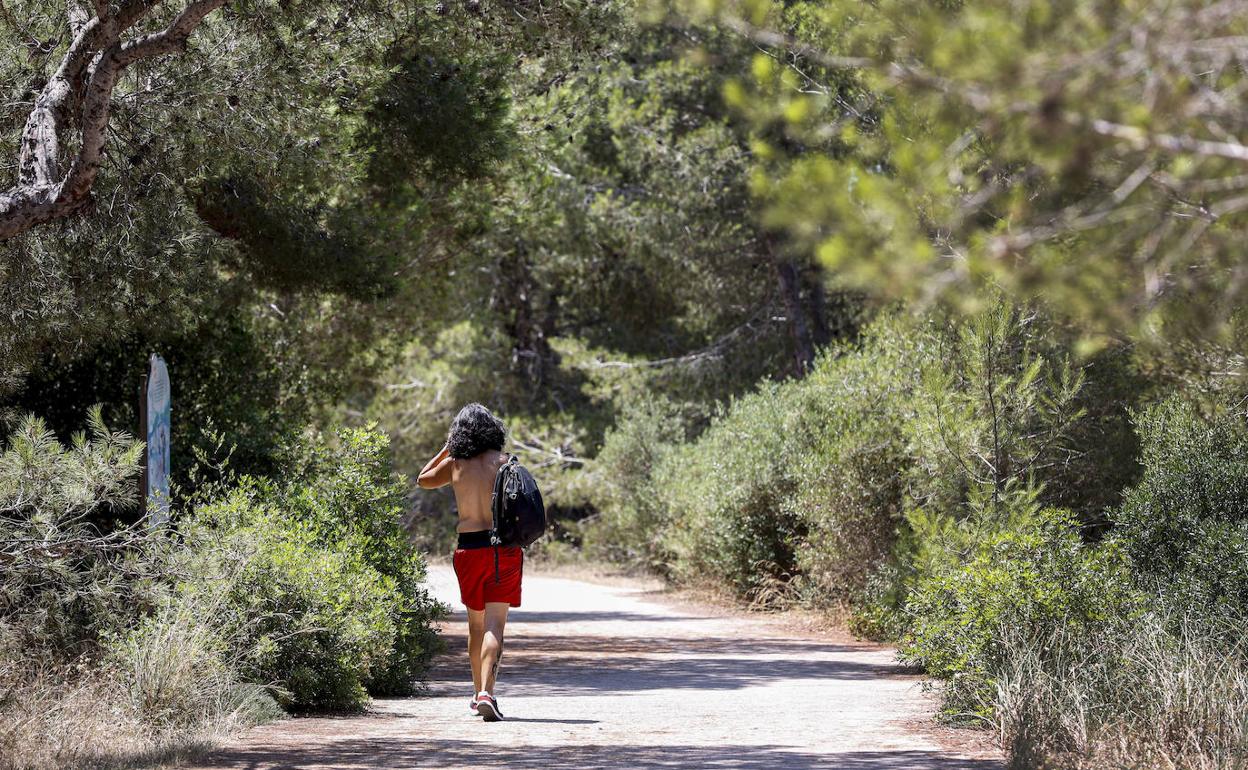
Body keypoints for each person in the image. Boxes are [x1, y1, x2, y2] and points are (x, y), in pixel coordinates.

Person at [417, 403, 521, 722]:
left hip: (468, 550)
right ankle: (488, 692)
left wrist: (448, 446)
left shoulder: (454, 463)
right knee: (494, 625)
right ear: (493, 430)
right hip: (502, 550)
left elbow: (423, 479)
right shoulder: (505, 462)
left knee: (475, 625)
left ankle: (478, 694)